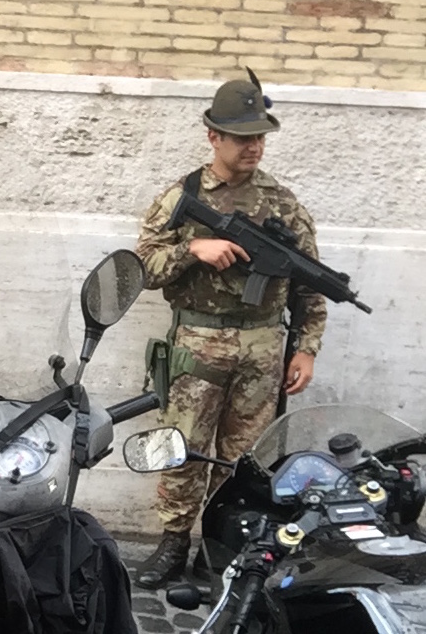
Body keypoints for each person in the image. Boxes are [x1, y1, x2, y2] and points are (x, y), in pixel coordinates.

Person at [134, 71, 327, 589]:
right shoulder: (184, 195)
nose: (254, 146)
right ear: (213, 136)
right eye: (243, 136)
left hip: (263, 347)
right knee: (180, 448)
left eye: (260, 136)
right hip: (196, 344)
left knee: (241, 460)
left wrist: (304, 350)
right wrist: (192, 250)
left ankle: (218, 548)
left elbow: (310, 286)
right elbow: (142, 268)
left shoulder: (284, 204)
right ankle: (173, 544)